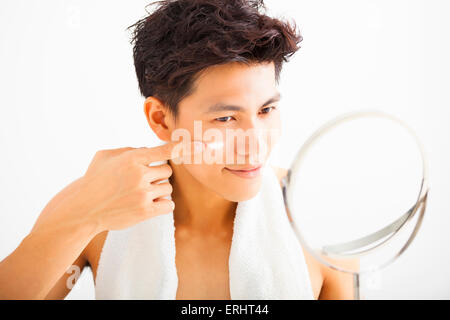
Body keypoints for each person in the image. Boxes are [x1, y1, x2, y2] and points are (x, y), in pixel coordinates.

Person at [0, 0, 355, 299]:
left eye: (266, 110)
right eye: (226, 119)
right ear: (161, 119)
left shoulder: (313, 217)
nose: (256, 143)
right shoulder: (99, 210)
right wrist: (83, 216)